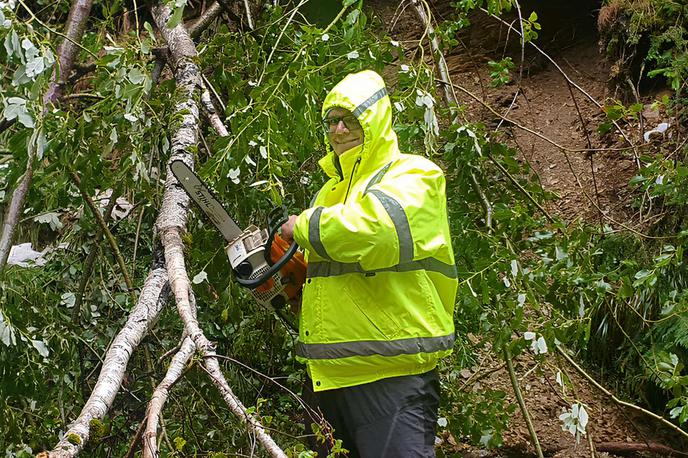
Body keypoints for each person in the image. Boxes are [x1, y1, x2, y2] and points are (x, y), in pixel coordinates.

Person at [280, 69, 457, 457]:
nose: (339, 129)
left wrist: (304, 226)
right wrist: (286, 271)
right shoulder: (328, 193)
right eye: (332, 121)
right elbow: (328, 269)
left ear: (374, 120)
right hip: (328, 378)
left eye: (350, 119)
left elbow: (378, 231)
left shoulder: (413, 174)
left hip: (391, 376)